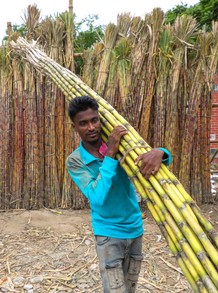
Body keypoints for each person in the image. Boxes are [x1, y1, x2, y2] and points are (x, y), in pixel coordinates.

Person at [65, 96, 172, 292]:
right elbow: (97, 198)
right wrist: (110, 155)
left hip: (135, 229)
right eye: (83, 123)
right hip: (108, 234)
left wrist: (161, 153)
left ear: (100, 120)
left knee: (130, 287)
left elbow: (148, 157)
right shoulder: (76, 161)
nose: (91, 127)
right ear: (75, 127)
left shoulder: (121, 145)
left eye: (94, 120)